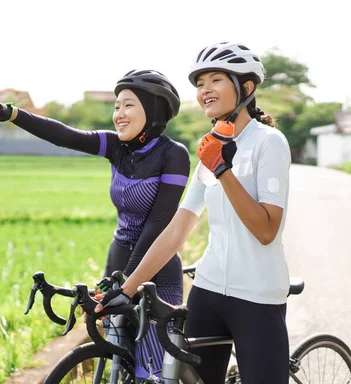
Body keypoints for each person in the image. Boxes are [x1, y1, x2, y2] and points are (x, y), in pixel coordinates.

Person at [0, 69, 190, 381]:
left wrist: (128, 281)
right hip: (118, 262)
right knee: (116, 359)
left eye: (128, 105)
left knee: (151, 371)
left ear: (154, 111)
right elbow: (65, 135)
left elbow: (158, 222)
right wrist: (10, 113)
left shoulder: (173, 155)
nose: (119, 114)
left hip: (157, 272)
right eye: (116, 106)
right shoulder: (117, 147)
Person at [97, 42, 292, 383]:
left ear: (246, 87)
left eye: (215, 80)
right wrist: (127, 289)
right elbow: (177, 229)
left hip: (257, 296)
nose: (205, 90)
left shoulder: (268, 142)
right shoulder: (210, 146)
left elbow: (266, 230)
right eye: (200, 83)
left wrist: (222, 170)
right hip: (209, 291)